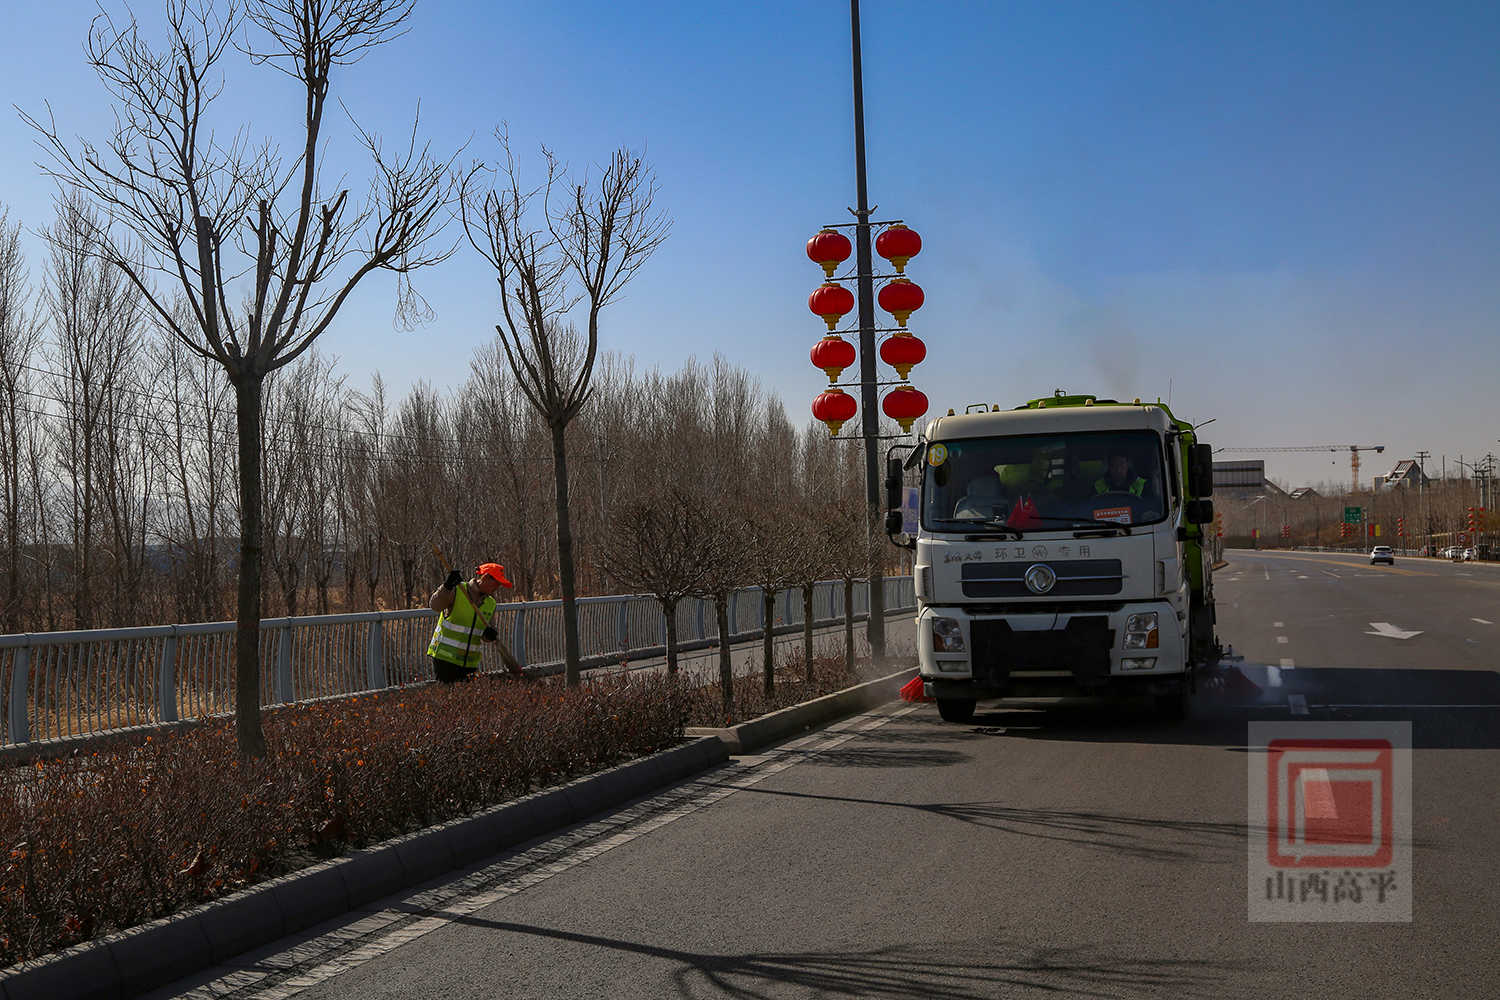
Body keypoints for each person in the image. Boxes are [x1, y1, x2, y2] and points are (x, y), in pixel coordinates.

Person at [427, 562, 524, 683]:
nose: (497, 587)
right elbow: (435, 606)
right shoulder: (457, 590)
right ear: (485, 577)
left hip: (469, 663)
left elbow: (485, 634)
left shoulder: (490, 603)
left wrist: (489, 635)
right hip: (445, 658)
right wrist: (446, 587)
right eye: (496, 583)